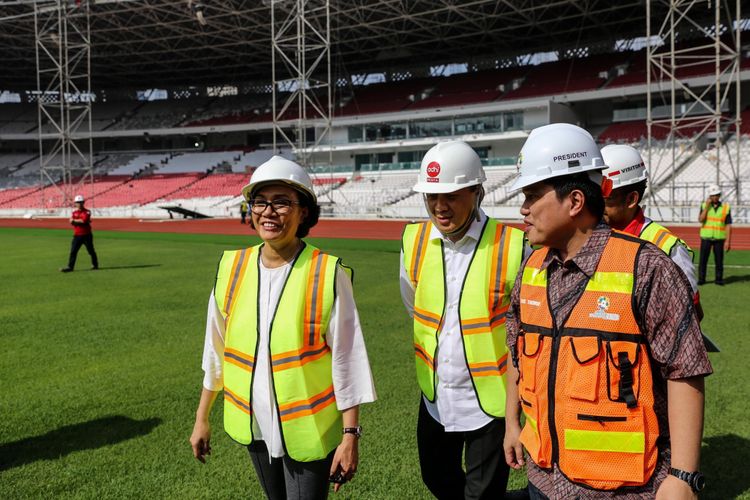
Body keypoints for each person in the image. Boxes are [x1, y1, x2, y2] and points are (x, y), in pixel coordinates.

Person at [503, 123, 712, 499]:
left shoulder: (647, 267)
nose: (523, 209)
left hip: (623, 488)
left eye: (533, 196)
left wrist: (683, 475)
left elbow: (686, 370)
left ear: (575, 201)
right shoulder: (531, 269)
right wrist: (511, 423)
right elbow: (517, 353)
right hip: (543, 479)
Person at [189, 156, 376, 499]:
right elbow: (215, 349)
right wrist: (202, 417)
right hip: (255, 424)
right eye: (260, 202)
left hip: (308, 428)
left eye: (281, 202)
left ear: (304, 211)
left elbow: (349, 360)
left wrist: (351, 435)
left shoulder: (326, 272)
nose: (268, 212)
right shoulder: (232, 268)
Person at [400, 140, 527, 499]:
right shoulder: (413, 240)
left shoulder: (514, 246)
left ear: (476, 191)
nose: (440, 207)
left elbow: (528, 329)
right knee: (436, 479)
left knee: (483, 494)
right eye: (431, 197)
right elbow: (414, 304)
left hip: (492, 402)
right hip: (436, 395)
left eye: (451, 195)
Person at [600, 144, 701, 317]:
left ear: (631, 199)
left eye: (606, 200)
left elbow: (691, 315)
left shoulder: (667, 248)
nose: (597, 206)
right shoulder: (588, 235)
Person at [698, 184, 731, 286]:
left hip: (719, 238)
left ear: (720, 195)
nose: (715, 197)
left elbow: (728, 225)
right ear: (709, 196)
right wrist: (707, 207)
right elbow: (700, 219)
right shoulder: (704, 205)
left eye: (716, 195)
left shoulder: (726, 207)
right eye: (712, 195)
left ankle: (719, 279)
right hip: (706, 237)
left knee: (719, 260)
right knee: (703, 260)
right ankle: (701, 279)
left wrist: (728, 241)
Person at [60, 194, 99, 273]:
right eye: (78, 202)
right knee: (73, 251)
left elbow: (83, 221)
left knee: (90, 251)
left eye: (80, 202)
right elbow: (73, 222)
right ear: (75, 203)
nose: (79, 204)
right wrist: (77, 221)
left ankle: (95, 264)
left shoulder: (87, 212)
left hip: (86, 235)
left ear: (83, 202)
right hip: (77, 235)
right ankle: (70, 267)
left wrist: (75, 220)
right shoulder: (74, 213)